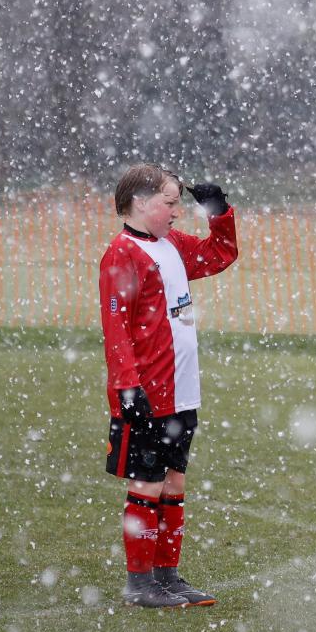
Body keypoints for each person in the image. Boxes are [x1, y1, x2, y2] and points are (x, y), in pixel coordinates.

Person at [98, 163, 238, 608]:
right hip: (147, 393)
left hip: (181, 389)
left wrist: (219, 212)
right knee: (148, 484)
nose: (178, 212)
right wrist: (126, 388)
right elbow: (116, 328)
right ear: (140, 202)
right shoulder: (123, 254)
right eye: (170, 202)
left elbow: (219, 255)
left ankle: (168, 576)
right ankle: (139, 585)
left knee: (174, 482)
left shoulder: (171, 244)